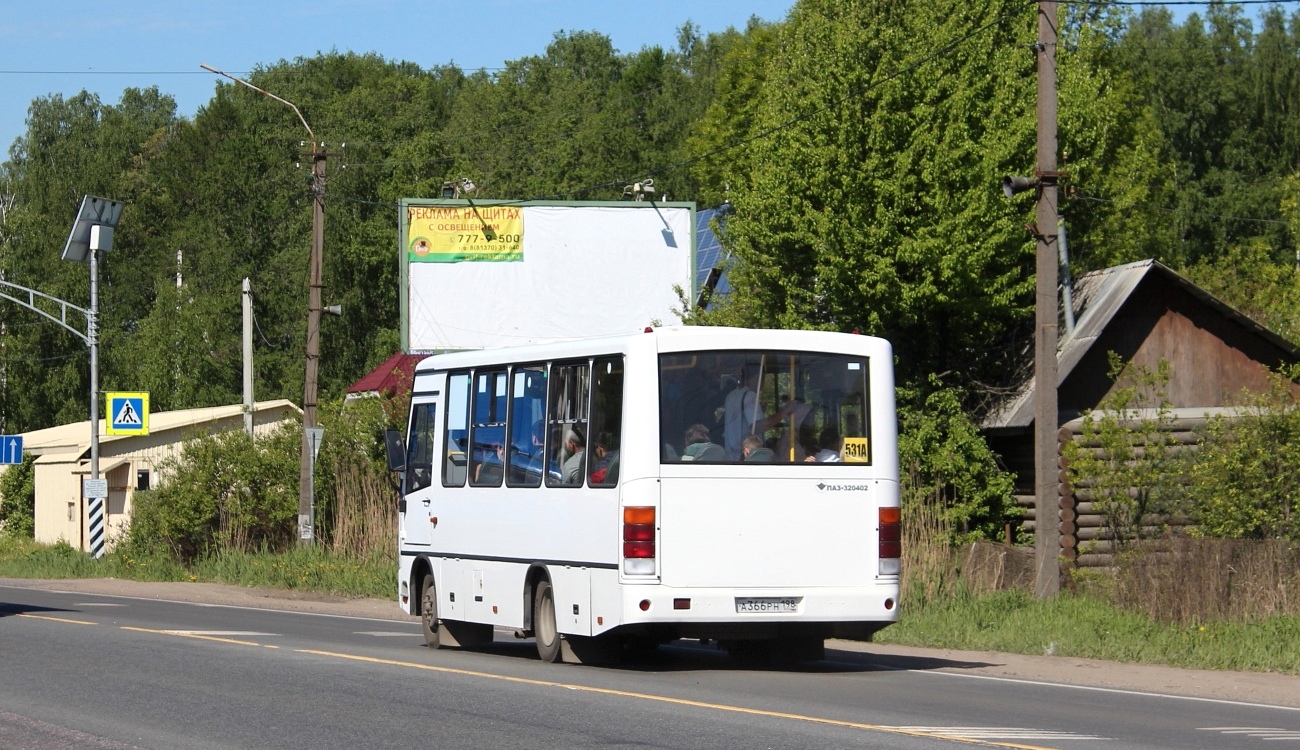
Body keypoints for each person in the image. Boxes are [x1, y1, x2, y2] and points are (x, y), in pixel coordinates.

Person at [722, 368, 789, 460]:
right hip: (747, 458)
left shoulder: (731, 395)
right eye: (762, 378)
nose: (762, 383)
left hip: (731, 458)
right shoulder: (750, 395)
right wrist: (784, 413)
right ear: (757, 377)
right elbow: (757, 426)